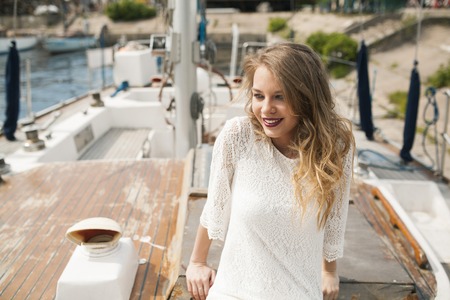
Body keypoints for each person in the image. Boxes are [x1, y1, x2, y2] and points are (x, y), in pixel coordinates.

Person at [186, 42, 355, 300]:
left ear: (306, 97)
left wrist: (329, 271)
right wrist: (197, 262)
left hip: (299, 293)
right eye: (258, 95)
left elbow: (334, 219)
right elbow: (215, 207)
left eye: (280, 96)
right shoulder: (237, 136)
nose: (266, 109)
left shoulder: (337, 147)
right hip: (234, 292)